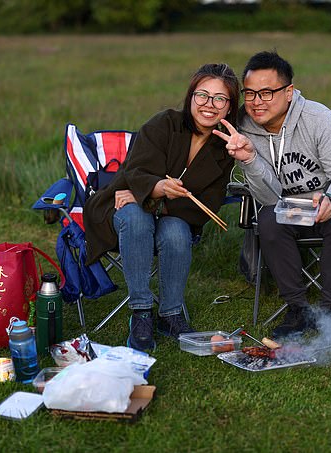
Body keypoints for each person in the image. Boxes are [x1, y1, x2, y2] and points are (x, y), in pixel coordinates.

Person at [84, 63, 239, 351]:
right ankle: (141, 312)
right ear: (191, 97)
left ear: (229, 107)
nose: (209, 105)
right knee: (136, 215)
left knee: (176, 233)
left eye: (220, 99)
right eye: (202, 95)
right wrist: (157, 189)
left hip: (175, 215)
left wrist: (155, 201)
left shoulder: (225, 149)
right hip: (120, 208)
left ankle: (170, 314)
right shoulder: (164, 123)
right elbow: (135, 173)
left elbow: (209, 203)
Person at [214, 51, 331, 338]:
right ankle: (297, 309)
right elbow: (270, 197)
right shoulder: (244, 127)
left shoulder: (318, 118)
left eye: (267, 93)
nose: (257, 102)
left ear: (289, 92)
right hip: (288, 206)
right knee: (270, 220)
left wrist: (330, 199)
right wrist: (248, 160)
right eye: (251, 94)